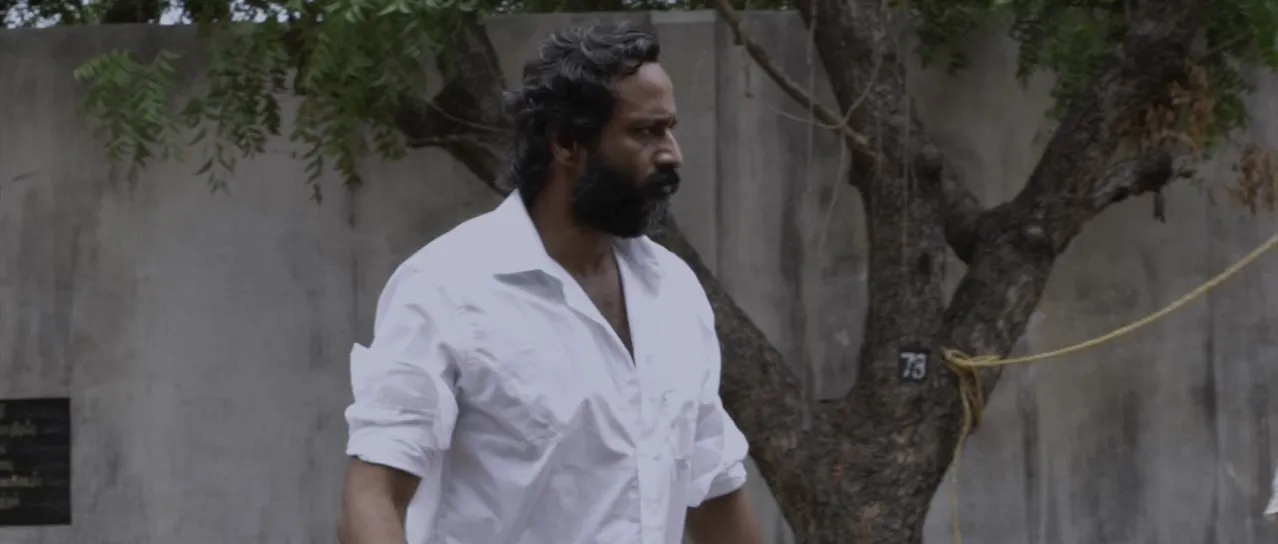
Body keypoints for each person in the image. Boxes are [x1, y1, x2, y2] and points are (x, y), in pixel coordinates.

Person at [337, 21, 763, 544]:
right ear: (566, 142)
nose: (672, 154)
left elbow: (713, 485)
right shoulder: (446, 288)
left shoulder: (673, 289)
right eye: (646, 132)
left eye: (670, 128)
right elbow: (373, 493)